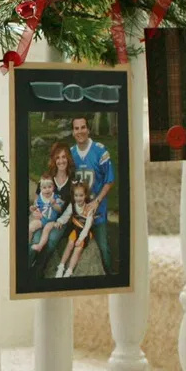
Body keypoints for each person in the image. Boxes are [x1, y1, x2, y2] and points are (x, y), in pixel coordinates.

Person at [69, 115, 114, 274]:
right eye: (76, 128)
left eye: (83, 127)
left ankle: (111, 280)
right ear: (73, 131)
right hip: (78, 213)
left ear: (88, 129)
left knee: (104, 248)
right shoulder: (70, 154)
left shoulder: (100, 151)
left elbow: (109, 180)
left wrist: (97, 202)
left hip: (97, 211)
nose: (80, 131)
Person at [53, 181, 94, 278]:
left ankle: (69, 270)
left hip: (85, 232)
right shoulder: (72, 205)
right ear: (73, 195)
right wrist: (60, 221)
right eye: (76, 195)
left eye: (81, 195)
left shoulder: (89, 209)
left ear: (85, 195)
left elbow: (87, 226)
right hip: (76, 230)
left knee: (78, 248)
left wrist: (80, 239)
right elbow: (66, 215)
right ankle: (61, 266)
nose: (78, 198)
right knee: (70, 243)